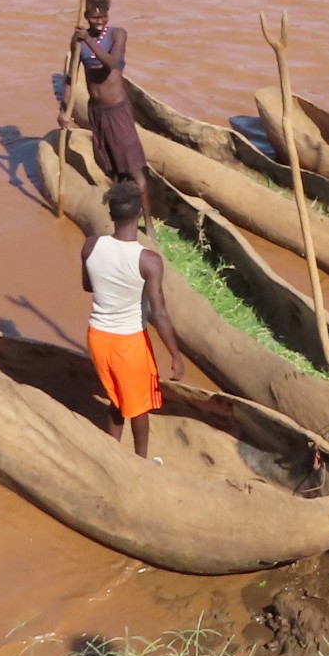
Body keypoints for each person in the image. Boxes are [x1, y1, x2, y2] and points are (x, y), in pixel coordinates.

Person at [82, 179, 186, 460]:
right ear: (140, 214)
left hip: (98, 337)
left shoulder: (91, 246)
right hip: (129, 342)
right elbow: (158, 312)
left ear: (111, 215)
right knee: (139, 408)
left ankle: (113, 455)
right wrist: (175, 355)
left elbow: (88, 286)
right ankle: (140, 464)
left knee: (117, 400)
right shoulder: (148, 260)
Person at [59, 0, 150, 222]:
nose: (99, 21)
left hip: (117, 110)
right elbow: (71, 76)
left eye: (103, 16)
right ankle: (125, 215)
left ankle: (148, 222)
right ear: (86, 16)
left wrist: (88, 40)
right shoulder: (78, 40)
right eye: (93, 17)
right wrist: (64, 108)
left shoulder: (117, 34)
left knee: (134, 168)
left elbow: (111, 63)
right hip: (97, 111)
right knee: (110, 166)